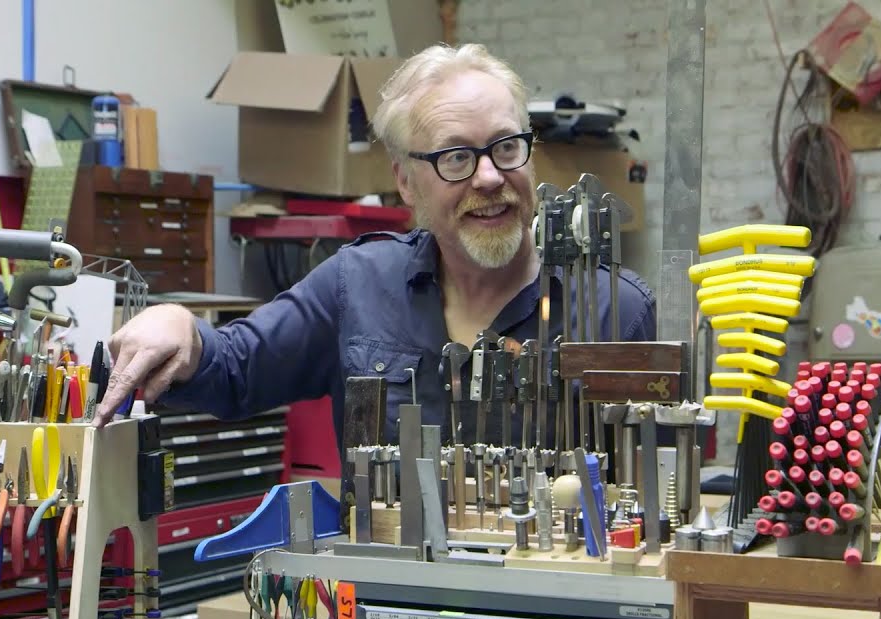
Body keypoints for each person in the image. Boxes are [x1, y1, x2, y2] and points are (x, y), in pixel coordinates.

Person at [92, 43, 656, 453]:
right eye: (455, 156)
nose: (489, 177)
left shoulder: (615, 310)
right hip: (384, 608)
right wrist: (179, 328)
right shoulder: (356, 284)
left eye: (506, 147)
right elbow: (234, 369)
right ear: (406, 182)